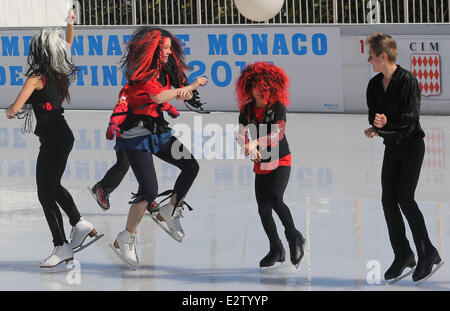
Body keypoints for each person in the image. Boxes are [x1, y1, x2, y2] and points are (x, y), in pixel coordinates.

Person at [5, 10, 102, 271]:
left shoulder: (36, 77)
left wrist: (10, 111)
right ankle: (80, 224)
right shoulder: (60, 70)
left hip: (53, 139)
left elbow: (16, 107)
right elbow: (68, 44)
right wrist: (69, 24)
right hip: (62, 136)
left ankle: (61, 246)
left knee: (45, 193)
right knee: (52, 187)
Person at [108, 26, 208, 269]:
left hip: (157, 132)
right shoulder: (141, 73)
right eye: (163, 48)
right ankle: (126, 237)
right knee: (149, 190)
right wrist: (191, 86)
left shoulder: (163, 71)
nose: (167, 52)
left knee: (191, 166)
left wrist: (185, 91)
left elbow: (170, 94)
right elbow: (159, 97)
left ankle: (170, 210)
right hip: (135, 136)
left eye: (168, 48)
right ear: (151, 49)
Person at [364, 32, 444, 285]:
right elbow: (373, 115)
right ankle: (403, 254)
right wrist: (376, 125)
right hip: (392, 147)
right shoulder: (375, 85)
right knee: (388, 199)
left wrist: (385, 125)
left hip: (411, 146)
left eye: (372, 56)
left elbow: (411, 120)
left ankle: (427, 252)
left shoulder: (408, 80)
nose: (370, 60)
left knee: (405, 198)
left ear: (383, 56)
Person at [235, 62, 305, 269]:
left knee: (275, 198)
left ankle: (294, 237)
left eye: (262, 84)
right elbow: (240, 134)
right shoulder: (246, 109)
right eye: (254, 84)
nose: (258, 88)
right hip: (262, 163)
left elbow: (277, 134)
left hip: (281, 159)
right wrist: (246, 146)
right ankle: (276, 248)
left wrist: (254, 142)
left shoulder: (277, 107)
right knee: (263, 209)